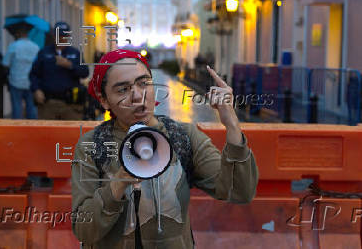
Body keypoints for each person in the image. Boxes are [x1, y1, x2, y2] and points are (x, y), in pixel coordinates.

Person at [71, 49, 259, 248]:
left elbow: (239, 192)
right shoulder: (92, 146)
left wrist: (232, 126)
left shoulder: (183, 136)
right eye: (122, 90)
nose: (137, 96)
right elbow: (84, 230)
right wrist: (118, 184)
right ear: (104, 100)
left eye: (144, 83)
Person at [30, 22, 89, 120]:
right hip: (48, 103)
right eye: (59, 35)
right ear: (54, 36)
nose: (61, 38)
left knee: (72, 133)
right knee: (47, 133)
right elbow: (34, 74)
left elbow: (85, 73)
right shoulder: (44, 52)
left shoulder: (74, 53)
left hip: (70, 104)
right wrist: (36, 90)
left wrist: (70, 65)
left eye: (64, 36)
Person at [2, 26, 40, 119]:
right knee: (31, 108)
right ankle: (33, 129)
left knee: (17, 109)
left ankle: (17, 129)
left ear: (18, 34)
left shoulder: (14, 46)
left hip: (16, 81)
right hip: (31, 83)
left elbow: (5, 64)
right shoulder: (35, 47)